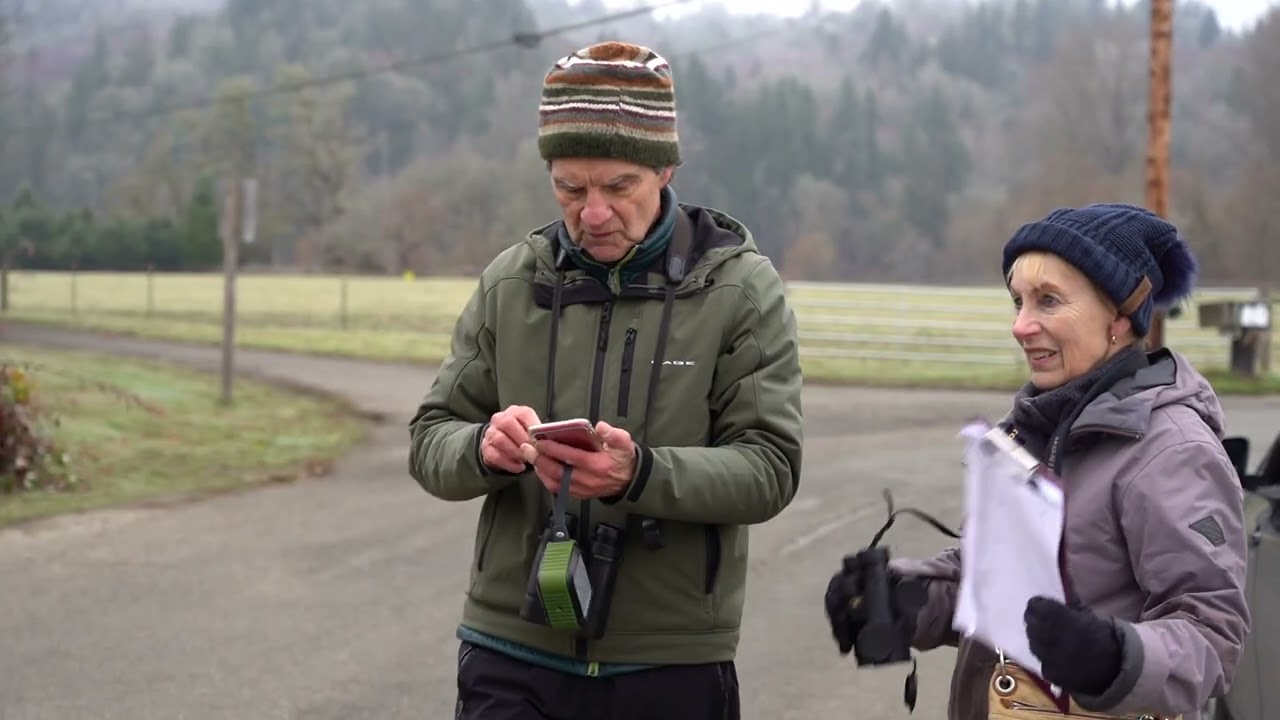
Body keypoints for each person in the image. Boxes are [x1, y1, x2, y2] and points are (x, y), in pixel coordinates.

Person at [408, 40, 804, 719]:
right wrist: (483, 449)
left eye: (619, 187)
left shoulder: (740, 290)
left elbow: (769, 468)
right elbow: (429, 440)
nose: (593, 213)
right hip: (512, 648)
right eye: (570, 188)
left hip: (669, 659)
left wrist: (639, 474)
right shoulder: (510, 282)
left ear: (666, 169)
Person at [825, 203, 1251, 720]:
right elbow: (994, 582)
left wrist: (1112, 657)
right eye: (1018, 302)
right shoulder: (1034, 428)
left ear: (1118, 316)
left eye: (1048, 301)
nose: (1021, 326)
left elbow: (1211, 634)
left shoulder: (1172, 451)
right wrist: (902, 600)